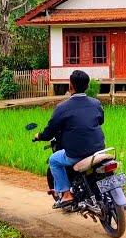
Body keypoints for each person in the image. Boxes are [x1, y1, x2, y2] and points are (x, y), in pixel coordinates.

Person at [34, 70, 105, 208]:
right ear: (88, 86)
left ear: (70, 86)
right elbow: (100, 120)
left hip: (76, 154)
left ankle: (66, 194)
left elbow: (50, 131)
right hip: (98, 149)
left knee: (54, 160)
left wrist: (39, 136)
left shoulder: (62, 107)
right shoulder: (96, 103)